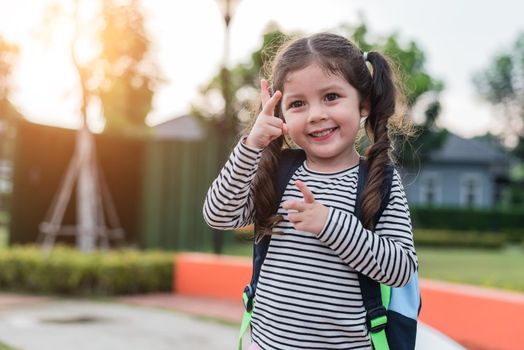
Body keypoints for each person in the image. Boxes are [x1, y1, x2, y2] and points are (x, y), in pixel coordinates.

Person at [203, 32, 418, 350]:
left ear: (364, 103)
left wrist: (331, 225)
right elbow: (218, 214)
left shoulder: (378, 179)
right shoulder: (278, 171)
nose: (316, 114)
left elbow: (400, 269)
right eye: (298, 103)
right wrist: (251, 146)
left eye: (331, 96)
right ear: (281, 114)